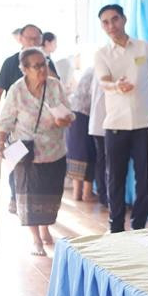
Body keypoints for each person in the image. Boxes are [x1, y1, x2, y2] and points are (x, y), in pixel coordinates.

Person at [94, 4, 148, 233]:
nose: (111, 26)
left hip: (144, 124)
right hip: (116, 125)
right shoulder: (102, 54)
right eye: (105, 22)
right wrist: (116, 86)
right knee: (115, 180)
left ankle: (139, 224)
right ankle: (116, 226)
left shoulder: (143, 48)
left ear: (124, 19)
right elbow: (103, 81)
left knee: (146, 178)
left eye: (115, 19)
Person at [0, 47, 74, 256]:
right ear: (24, 69)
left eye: (44, 64)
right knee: (28, 197)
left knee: (50, 195)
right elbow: (5, 119)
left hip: (53, 151)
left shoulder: (55, 86)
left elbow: (69, 114)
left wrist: (63, 119)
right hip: (25, 151)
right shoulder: (17, 90)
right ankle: (36, 239)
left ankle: (46, 227)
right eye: (37, 66)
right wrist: (0, 142)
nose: (42, 69)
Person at [0, 24, 44, 214]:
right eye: (29, 38)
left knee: (37, 167)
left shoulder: (46, 63)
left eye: (37, 38)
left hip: (42, 128)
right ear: (20, 39)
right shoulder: (10, 62)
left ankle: (35, 202)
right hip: (15, 125)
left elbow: (56, 88)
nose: (33, 42)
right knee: (15, 161)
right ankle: (15, 197)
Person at [66, 66, 97, 201]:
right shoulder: (100, 71)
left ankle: (77, 193)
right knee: (89, 153)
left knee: (76, 153)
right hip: (85, 114)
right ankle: (86, 194)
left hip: (74, 112)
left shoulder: (91, 68)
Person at [88, 69, 108, 207]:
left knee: (101, 160)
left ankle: (103, 195)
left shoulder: (96, 72)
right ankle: (104, 196)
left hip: (97, 123)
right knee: (104, 162)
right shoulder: (105, 74)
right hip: (104, 124)